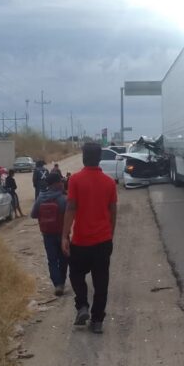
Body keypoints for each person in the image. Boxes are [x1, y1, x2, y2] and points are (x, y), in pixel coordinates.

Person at [62, 143, 118, 334]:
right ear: (99, 157)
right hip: (103, 241)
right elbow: (113, 211)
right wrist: (110, 234)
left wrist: (64, 235)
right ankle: (97, 321)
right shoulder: (109, 182)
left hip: (81, 241)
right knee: (101, 281)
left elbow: (70, 208)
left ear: (84, 157)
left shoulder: (75, 180)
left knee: (76, 275)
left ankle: (83, 305)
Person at [31, 171, 69, 296]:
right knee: (63, 259)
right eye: (61, 181)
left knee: (52, 260)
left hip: (47, 234)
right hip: (62, 233)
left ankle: (57, 284)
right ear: (57, 184)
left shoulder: (40, 197)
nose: (62, 183)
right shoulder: (63, 198)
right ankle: (61, 283)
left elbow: (33, 214)